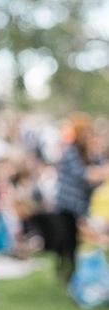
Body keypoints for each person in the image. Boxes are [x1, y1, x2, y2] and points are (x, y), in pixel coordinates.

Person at [54, 112, 109, 282]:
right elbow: (84, 174)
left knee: (81, 243)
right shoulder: (70, 151)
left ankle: (77, 275)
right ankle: (67, 274)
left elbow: (97, 173)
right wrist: (102, 172)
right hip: (68, 205)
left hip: (83, 205)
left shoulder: (90, 152)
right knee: (68, 241)